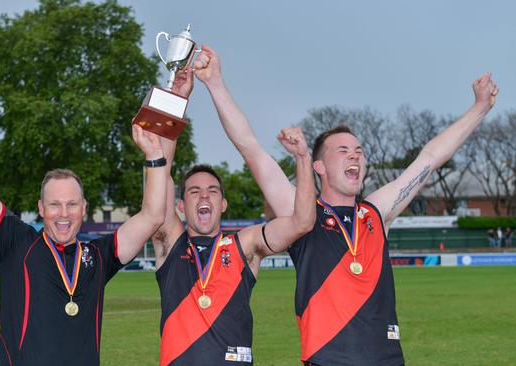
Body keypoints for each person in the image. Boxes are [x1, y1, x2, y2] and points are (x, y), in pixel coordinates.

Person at [193, 46, 499, 365]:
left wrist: (479, 107)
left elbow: (431, 158)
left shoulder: (376, 212)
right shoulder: (303, 214)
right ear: (320, 167)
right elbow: (251, 150)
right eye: (342, 151)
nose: (355, 155)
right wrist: (215, 82)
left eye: (359, 150)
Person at [0, 88, 169, 365]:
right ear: (41, 208)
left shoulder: (98, 257)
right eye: (54, 204)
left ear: (84, 207)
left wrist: (155, 155)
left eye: (72, 204)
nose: (63, 213)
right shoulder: (16, 242)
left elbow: (153, 216)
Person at [151, 66, 316, 366]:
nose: (203, 196)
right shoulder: (168, 242)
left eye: (212, 191)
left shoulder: (245, 245)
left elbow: (303, 222)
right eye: (194, 191)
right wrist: (177, 100)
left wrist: (303, 160)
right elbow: (159, 168)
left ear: (224, 204)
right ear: (180, 206)